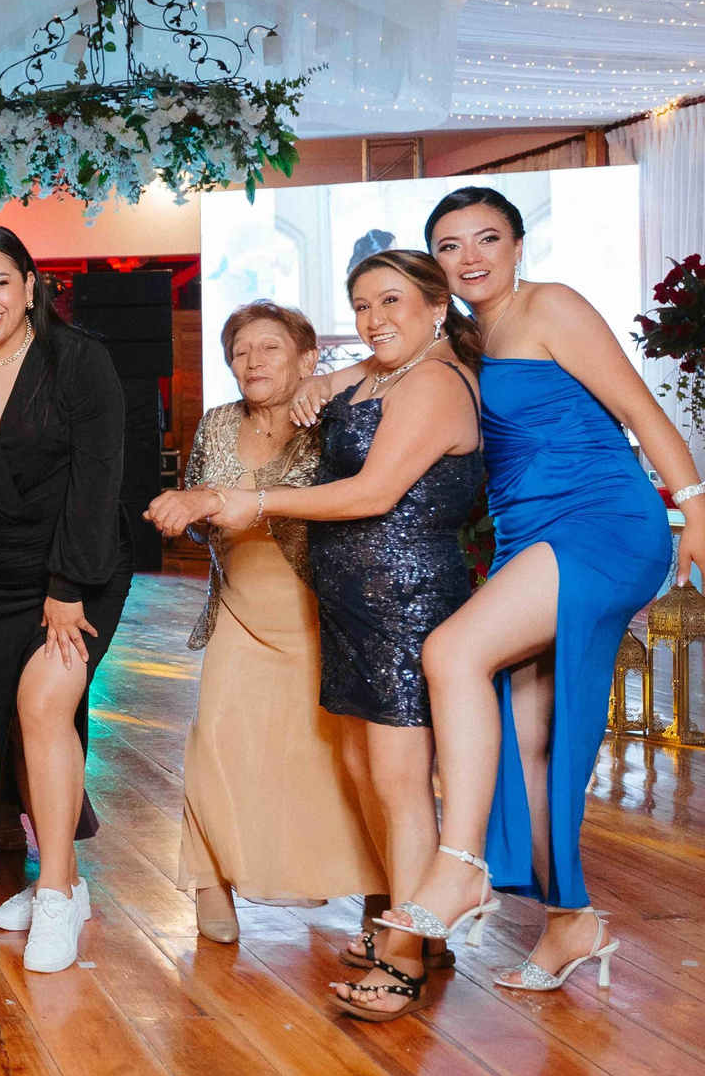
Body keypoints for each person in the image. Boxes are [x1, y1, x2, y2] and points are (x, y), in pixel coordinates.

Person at [367, 186, 705, 997]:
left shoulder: (550, 307)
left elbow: (639, 407)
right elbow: (380, 366)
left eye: (487, 238)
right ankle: (571, 919)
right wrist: (313, 383)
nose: (470, 257)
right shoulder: (462, 337)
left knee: (452, 651)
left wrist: (699, 513)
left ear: (516, 244)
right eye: (450, 246)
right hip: (527, 538)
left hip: (601, 521)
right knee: (532, 738)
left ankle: (461, 865)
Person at [152, 250, 484, 1020]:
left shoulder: (434, 383)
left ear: (437, 305)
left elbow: (374, 491)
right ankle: (412, 931)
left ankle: (405, 951)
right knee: (366, 771)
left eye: (390, 301)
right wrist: (324, 380)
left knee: (396, 781)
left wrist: (253, 501)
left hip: (396, 598)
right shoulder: (377, 376)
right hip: (351, 601)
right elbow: (348, 377)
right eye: (362, 305)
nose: (374, 318)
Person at [165, 304, 384, 945]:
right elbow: (200, 510)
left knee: (340, 761)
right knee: (215, 740)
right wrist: (187, 511)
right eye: (240, 351)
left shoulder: (336, 424)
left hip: (321, 618)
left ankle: (382, 888)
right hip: (239, 611)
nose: (252, 361)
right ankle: (211, 882)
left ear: (308, 359)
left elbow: (362, 506)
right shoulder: (216, 422)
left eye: (269, 348)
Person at [0, 225, 131, 961]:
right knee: (16, 726)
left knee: (45, 704)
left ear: (29, 286)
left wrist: (68, 584)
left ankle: (53, 896)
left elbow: (99, 478)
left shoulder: (78, 359)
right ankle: (67, 880)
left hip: (78, 570)